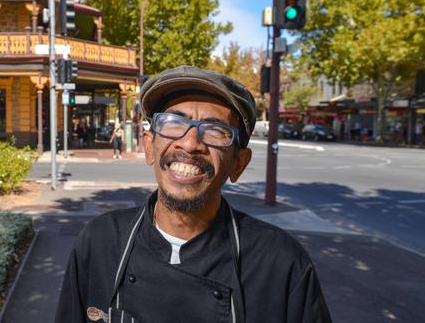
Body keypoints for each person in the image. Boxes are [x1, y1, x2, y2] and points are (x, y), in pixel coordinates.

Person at [55, 66, 331, 323]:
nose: (189, 143)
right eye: (174, 122)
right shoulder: (100, 241)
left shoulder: (282, 265)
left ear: (239, 163)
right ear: (150, 147)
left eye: (216, 131)